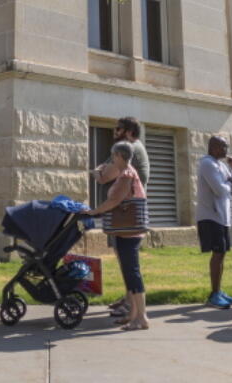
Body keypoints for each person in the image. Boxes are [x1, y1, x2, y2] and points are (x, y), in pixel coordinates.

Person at [85, 141, 150, 330]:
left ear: (120, 156)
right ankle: (132, 315)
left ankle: (142, 318)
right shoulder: (124, 173)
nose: (112, 159)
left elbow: (114, 200)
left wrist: (94, 212)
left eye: (113, 156)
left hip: (130, 231)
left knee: (133, 272)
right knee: (130, 273)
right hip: (125, 230)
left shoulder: (127, 174)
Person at [196, 135, 232, 309]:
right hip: (210, 216)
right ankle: (213, 295)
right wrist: (227, 183)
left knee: (222, 254)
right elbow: (220, 190)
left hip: (223, 217)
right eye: (224, 147)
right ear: (213, 147)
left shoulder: (222, 165)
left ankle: (219, 291)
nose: (226, 150)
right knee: (217, 254)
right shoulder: (207, 163)